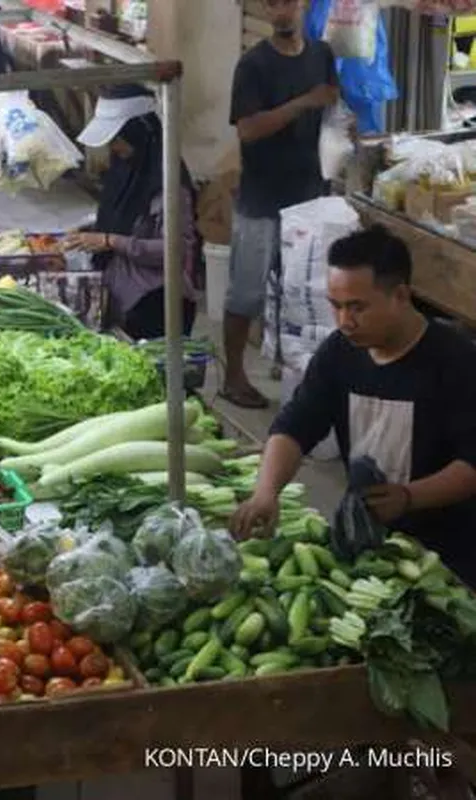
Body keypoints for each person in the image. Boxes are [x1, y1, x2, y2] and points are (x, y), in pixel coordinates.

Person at [230, 225, 476, 588]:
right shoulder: (339, 353)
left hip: (448, 554)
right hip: (365, 540)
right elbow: (295, 426)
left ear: (401, 295)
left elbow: (472, 463)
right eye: (336, 305)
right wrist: (266, 492)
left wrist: (409, 497)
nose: (344, 321)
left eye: (358, 307)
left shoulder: (455, 361)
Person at [222, 0, 338, 408]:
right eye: (272, 4)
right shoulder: (253, 65)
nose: (281, 11)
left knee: (298, 292)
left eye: (287, 1)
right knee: (247, 293)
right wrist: (305, 101)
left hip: (308, 194)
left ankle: (291, 370)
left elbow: (332, 106)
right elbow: (249, 130)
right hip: (262, 198)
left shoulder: (323, 54)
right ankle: (233, 377)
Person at [66, 84, 199, 340]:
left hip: (156, 304)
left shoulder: (168, 187)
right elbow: (120, 219)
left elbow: (174, 250)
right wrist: (92, 233)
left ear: (140, 133)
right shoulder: (125, 172)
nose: (113, 148)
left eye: (118, 139)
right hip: (123, 300)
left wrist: (110, 241)